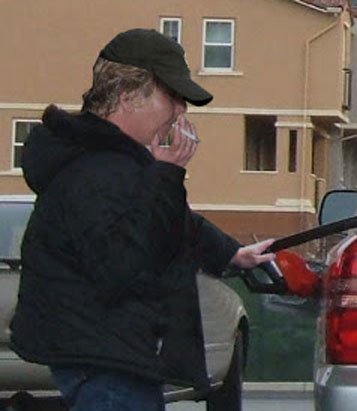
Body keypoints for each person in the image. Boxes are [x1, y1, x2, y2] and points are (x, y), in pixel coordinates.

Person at [9, 28, 275, 411]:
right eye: (172, 97)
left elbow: (174, 224)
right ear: (128, 95)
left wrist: (233, 254)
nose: (180, 111)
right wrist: (167, 178)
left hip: (104, 354)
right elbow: (124, 266)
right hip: (104, 357)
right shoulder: (100, 172)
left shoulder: (113, 161)